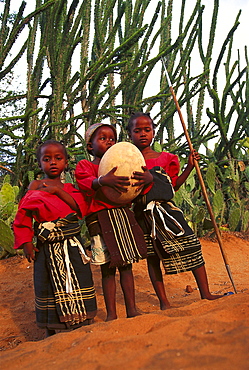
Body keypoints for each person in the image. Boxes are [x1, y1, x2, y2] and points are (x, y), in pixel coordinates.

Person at [127, 112, 232, 310]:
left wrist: (190, 167)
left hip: (167, 212)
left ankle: (206, 293)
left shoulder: (166, 158)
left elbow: (172, 186)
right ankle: (164, 302)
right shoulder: (127, 162)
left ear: (154, 132)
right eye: (137, 130)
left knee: (191, 244)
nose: (142, 134)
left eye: (147, 130)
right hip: (142, 214)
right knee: (153, 257)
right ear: (129, 134)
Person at [13, 140, 97, 337]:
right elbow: (23, 215)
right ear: (39, 163)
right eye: (47, 159)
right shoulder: (35, 185)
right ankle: (52, 328)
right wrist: (26, 242)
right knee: (48, 285)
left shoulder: (70, 187)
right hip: (46, 248)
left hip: (71, 246)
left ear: (66, 163)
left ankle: (82, 321)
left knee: (80, 280)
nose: (53, 163)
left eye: (58, 158)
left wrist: (57, 191)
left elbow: (79, 209)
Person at [75, 123, 147, 321]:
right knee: (107, 269)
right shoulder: (86, 166)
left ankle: (131, 309)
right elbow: (84, 183)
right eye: (103, 138)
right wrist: (102, 181)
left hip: (122, 216)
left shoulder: (123, 164)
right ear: (90, 146)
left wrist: (146, 178)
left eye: (112, 139)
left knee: (126, 265)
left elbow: (136, 185)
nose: (109, 142)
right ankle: (111, 314)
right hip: (100, 221)